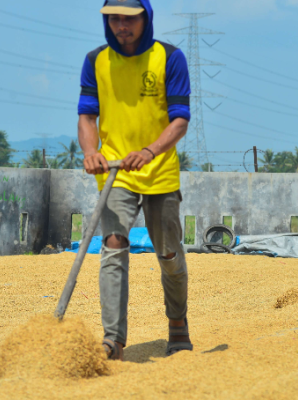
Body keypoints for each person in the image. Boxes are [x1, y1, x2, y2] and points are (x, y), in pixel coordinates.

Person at [77, 0, 192, 360]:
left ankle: (177, 324)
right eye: (113, 18)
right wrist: (90, 151)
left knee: (168, 254)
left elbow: (180, 120)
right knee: (112, 245)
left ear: (146, 18)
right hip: (116, 173)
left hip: (159, 172)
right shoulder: (95, 60)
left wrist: (150, 150)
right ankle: (113, 339)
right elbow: (86, 116)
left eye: (128, 19)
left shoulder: (170, 58)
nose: (120, 26)